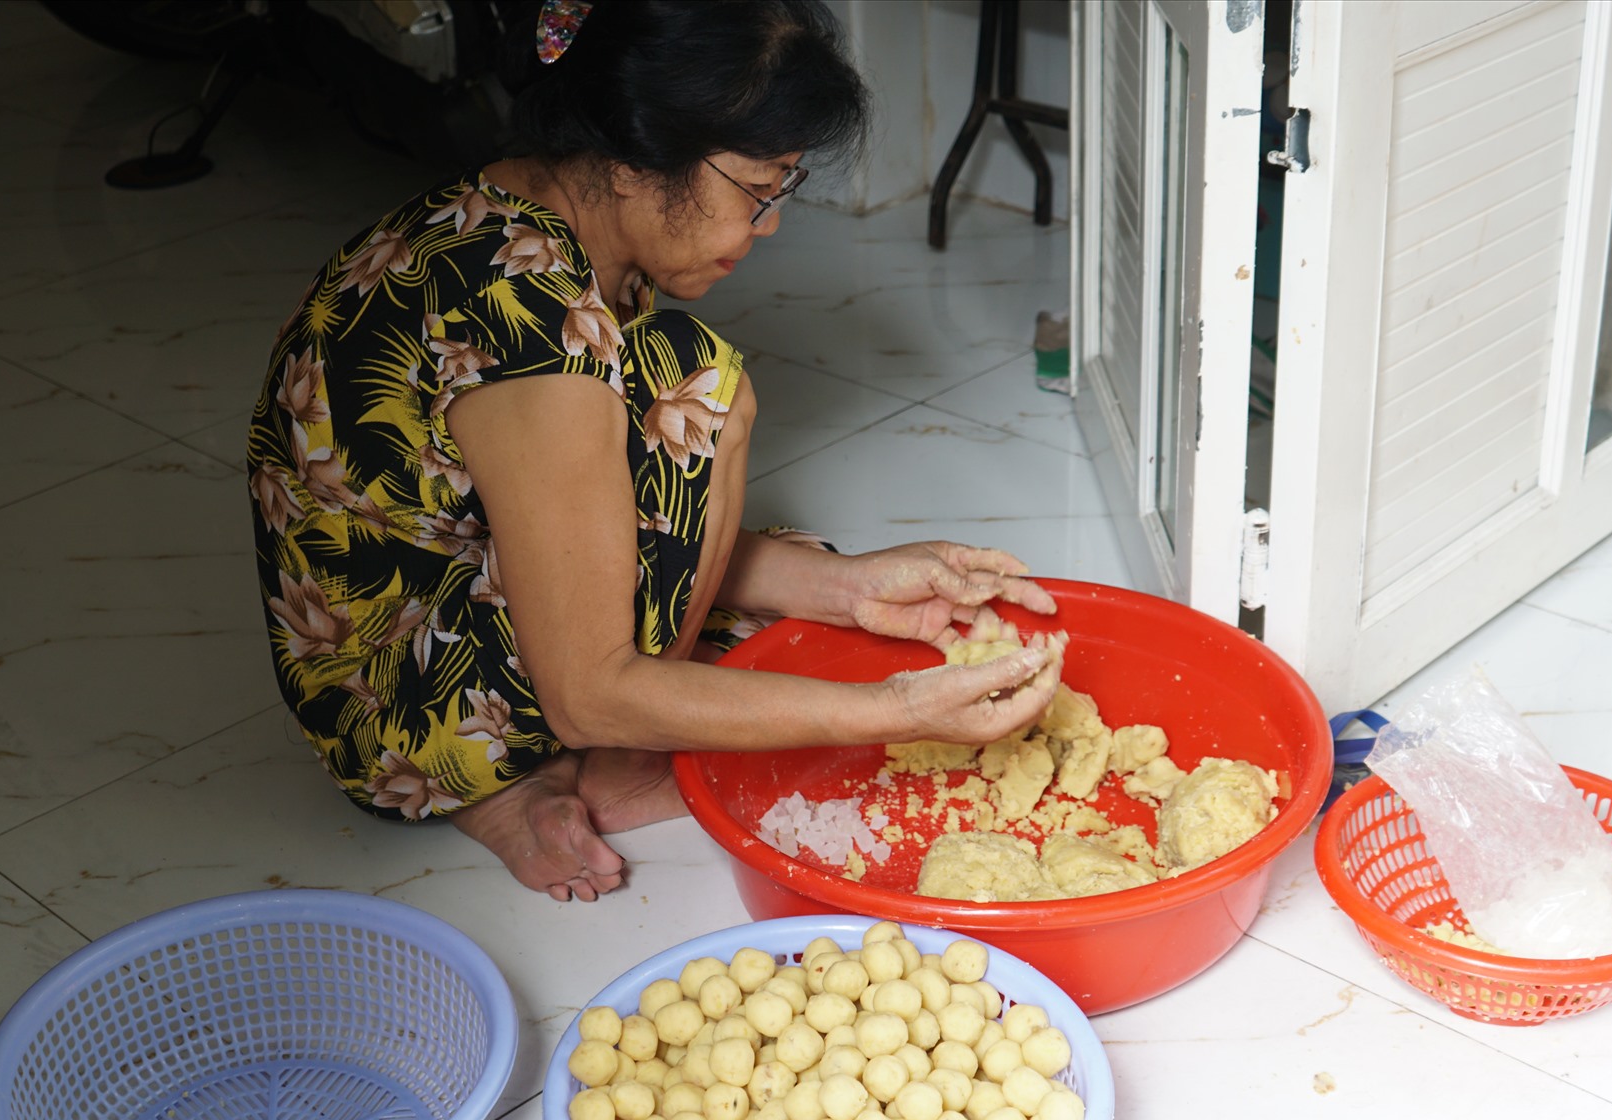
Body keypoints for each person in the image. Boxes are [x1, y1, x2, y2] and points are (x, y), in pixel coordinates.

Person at [247, 0, 1063, 903]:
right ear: (637, 157)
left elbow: (558, 507)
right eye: (760, 188)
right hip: (396, 704)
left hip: (444, 582)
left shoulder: (534, 210)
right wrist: (894, 715)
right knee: (699, 385)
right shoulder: (530, 325)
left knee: (806, 595)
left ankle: (568, 764)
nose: (771, 225)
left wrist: (853, 584)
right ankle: (579, 772)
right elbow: (588, 687)